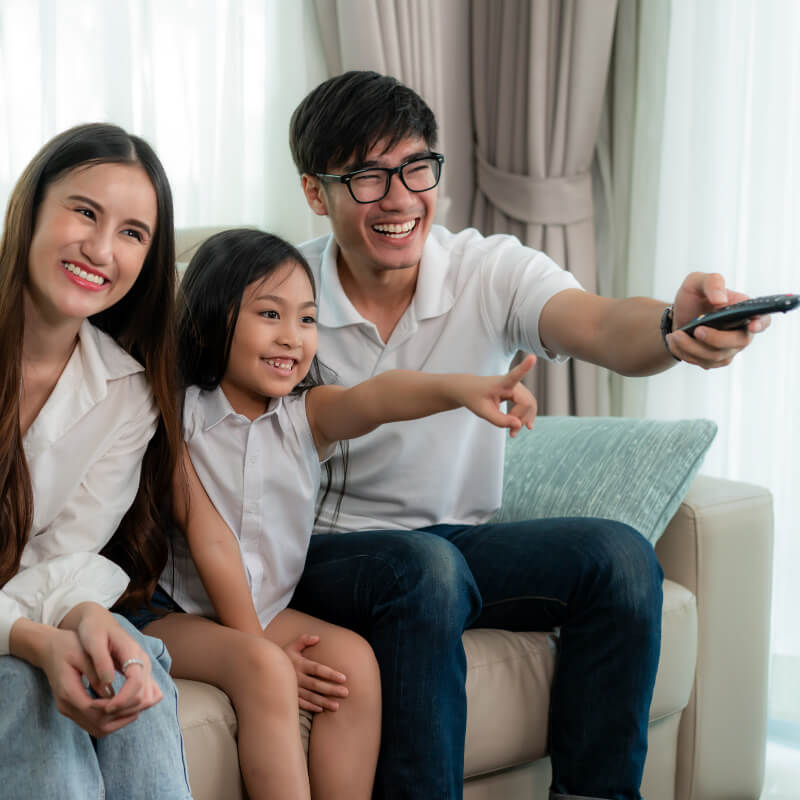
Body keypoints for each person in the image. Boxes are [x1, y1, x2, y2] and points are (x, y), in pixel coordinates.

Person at [286, 70, 770, 800]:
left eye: (416, 168)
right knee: (427, 570)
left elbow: (602, 324)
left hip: (452, 545)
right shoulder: (283, 295)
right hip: (324, 555)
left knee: (620, 558)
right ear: (315, 192)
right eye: (366, 176)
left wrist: (675, 327)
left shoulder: (487, 270)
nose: (398, 198)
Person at [131, 227, 539, 800]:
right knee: (265, 672)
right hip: (175, 612)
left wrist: (462, 388)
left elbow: (378, 397)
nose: (292, 337)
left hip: (265, 606)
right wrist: (261, 647)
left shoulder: (307, 415)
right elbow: (212, 543)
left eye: (306, 319)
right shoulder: (181, 415)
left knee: (355, 668)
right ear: (207, 320)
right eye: (269, 314)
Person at [0, 123, 192, 799]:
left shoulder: (127, 393)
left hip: (17, 615)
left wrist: (85, 620)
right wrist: (31, 641)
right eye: (85, 211)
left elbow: (57, 565)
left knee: (135, 666)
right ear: (31, 208)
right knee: (25, 683)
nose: (102, 249)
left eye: (133, 233)